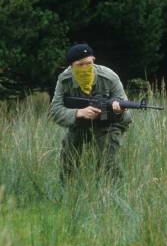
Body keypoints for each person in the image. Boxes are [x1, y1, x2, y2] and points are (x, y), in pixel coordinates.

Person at [49, 43, 132, 183]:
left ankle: (114, 190)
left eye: (89, 63)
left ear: (94, 60)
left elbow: (127, 115)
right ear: (71, 66)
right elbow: (55, 111)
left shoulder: (109, 77)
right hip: (81, 122)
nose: (85, 68)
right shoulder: (64, 80)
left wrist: (119, 111)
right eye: (80, 64)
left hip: (109, 123)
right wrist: (78, 113)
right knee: (69, 157)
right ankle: (69, 191)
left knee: (107, 157)